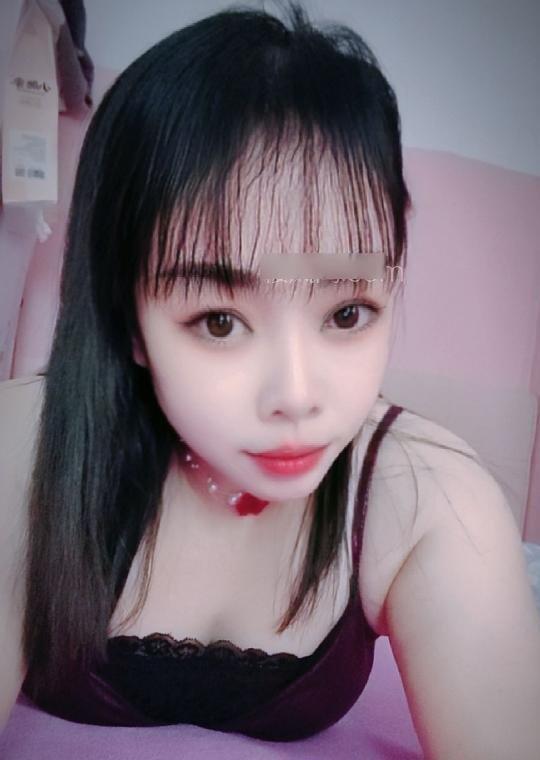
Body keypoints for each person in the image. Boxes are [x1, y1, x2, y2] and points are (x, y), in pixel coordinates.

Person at [1, 1, 539, 755]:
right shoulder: (25, 446)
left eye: (347, 313)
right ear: (129, 320)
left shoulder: (428, 498)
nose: (297, 395)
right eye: (220, 321)